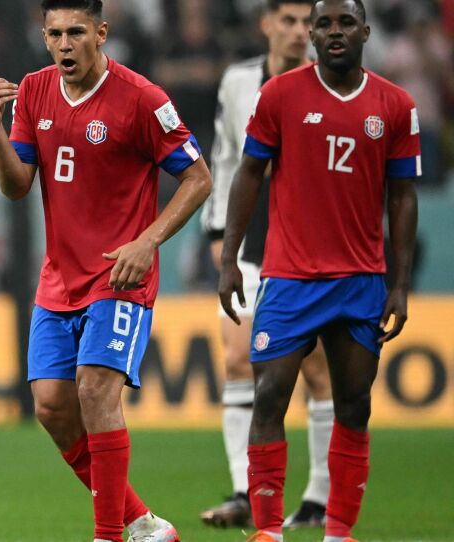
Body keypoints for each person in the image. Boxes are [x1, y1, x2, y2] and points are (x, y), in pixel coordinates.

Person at [0, 1, 212, 541]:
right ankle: (140, 521)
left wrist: (148, 241)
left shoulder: (142, 99)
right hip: (59, 279)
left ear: (101, 33)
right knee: (51, 407)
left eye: (76, 33)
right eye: (55, 34)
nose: (65, 44)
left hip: (120, 278)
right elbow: (16, 186)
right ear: (43, 36)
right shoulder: (34, 92)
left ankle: (108, 533)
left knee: (94, 391)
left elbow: (198, 178)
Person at [218, 1, 420, 541]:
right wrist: (230, 257)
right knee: (269, 397)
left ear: (365, 32)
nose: (333, 32)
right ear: (311, 32)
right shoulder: (280, 95)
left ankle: (337, 531)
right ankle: (266, 531)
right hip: (290, 278)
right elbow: (248, 173)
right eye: (324, 23)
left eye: (345, 23)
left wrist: (399, 284)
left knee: (354, 405)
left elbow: (402, 197)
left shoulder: (396, 105)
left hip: (359, 280)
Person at [199, 0, 333, 529]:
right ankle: (244, 491)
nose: (300, 32)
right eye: (291, 21)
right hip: (253, 240)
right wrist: (217, 232)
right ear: (267, 24)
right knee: (236, 359)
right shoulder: (237, 82)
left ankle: (319, 497)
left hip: (313, 244)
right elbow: (225, 155)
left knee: (317, 367)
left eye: (309, 23)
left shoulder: (332, 85)